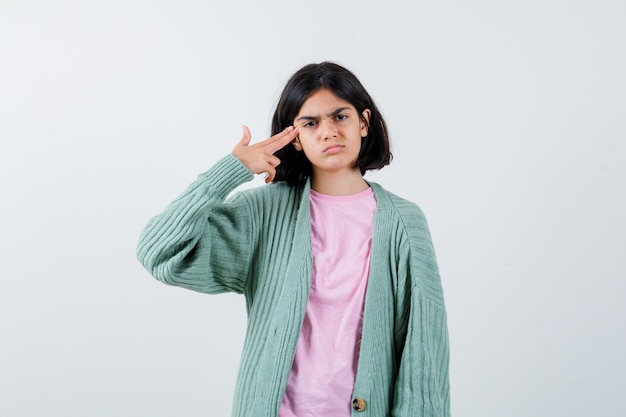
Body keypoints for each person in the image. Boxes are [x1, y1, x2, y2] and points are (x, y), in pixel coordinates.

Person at [136, 61, 450, 417]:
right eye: (311, 123)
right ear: (295, 138)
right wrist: (230, 171)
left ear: (363, 122)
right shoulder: (263, 213)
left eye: (340, 117)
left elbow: (423, 353)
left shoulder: (404, 223)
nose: (328, 131)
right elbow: (160, 253)